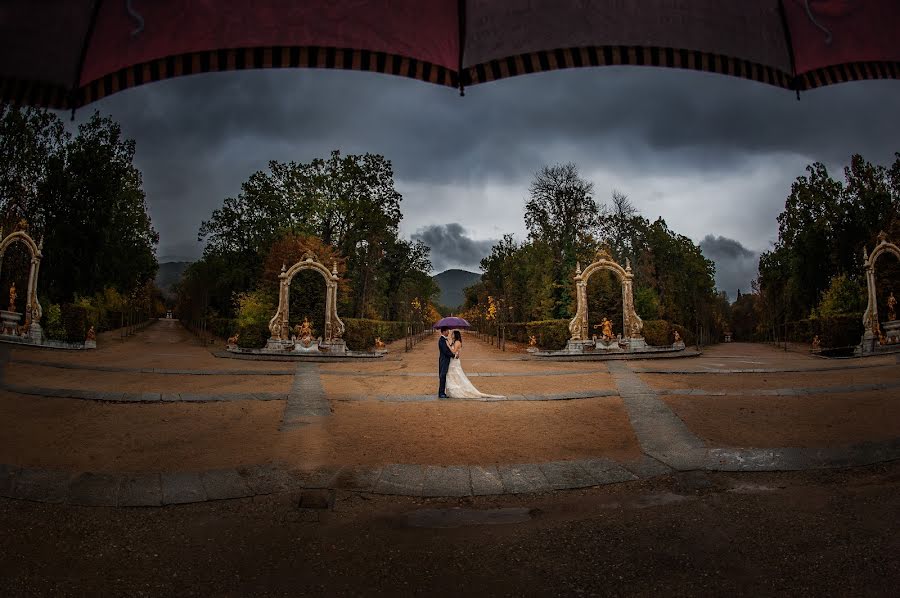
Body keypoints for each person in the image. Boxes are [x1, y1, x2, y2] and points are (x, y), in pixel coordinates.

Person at [445, 330, 505, 399]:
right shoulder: (454, 342)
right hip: (453, 361)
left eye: (452, 334)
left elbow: (454, 351)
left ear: (456, 335)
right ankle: (454, 390)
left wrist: (448, 346)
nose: (451, 335)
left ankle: (458, 390)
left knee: (457, 375)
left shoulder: (457, 342)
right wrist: (450, 344)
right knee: (453, 375)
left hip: (454, 362)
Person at [437, 327, 455, 398]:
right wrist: (453, 355)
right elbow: (445, 351)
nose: (448, 332)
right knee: (442, 375)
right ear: (444, 332)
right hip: (444, 360)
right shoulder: (442, 340)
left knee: (444, 375)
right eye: (447, 331)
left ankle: (442, 392)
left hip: (445, 360)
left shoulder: (444, 340)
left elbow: (447, 349)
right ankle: (441, 393)